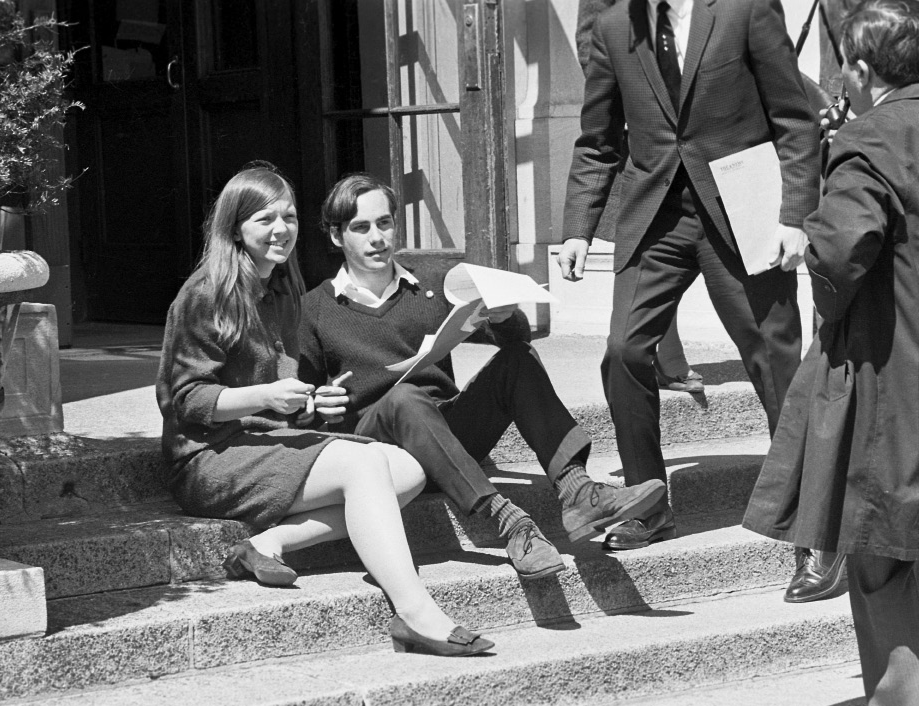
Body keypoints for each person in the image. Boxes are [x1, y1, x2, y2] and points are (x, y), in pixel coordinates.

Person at [156, 164, 493, 657]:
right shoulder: (206, 294)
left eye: (288, 217)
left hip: (268, 442)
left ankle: (270, 542)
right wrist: (267, 397)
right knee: (364, 463)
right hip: (209, 457)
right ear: (235, 229)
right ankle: (415, 611)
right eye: (264, 219)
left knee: (407, 468)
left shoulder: (283, 291)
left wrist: (313, 401)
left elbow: (285, 395)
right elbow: (184, 401)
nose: (281, 230)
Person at [296, 173, 666, 579]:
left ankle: (577, 490)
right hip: (379, 449)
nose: (377, 238)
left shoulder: (433, 284)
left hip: (447, 432)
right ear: (336, 236)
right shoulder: (315, 309)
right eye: (360, 228)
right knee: (405, 399)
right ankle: (510, 523)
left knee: (518, 360)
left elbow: (511, 340)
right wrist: (315, 405)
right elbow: (298, 409)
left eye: (384, 223)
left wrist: (506, 318)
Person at [558, 0, 821, 551]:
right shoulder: (613, 28)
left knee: (771, 353)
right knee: (625, 350)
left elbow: (796, 121)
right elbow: (598, 140)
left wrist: (794, 216)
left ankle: (807, 514)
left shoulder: (745, 10)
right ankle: (647, 506)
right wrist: (578, 229)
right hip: (657, 216)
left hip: (743, 207)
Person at [743, 0, 919, 699]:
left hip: (894, 375)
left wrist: (805, 249)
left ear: (859, 68)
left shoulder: (868, 139)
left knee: (883, 559)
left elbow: (844, 250)